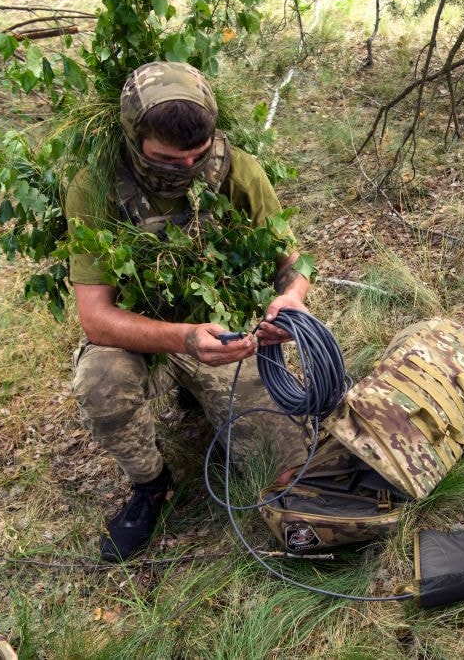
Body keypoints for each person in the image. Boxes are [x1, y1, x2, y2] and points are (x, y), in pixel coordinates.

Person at [65, 61, 311, 562]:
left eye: (197, 157)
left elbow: (294, 262)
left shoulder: (237, 169)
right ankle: (152, 486)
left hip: (225, 333)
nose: (186, 170)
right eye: (167, 160)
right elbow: (96, 317)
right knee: (101, 382)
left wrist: (291, 299)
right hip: (144, 336)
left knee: (286, 465)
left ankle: (208, 401)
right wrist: (183, 338)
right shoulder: (95, 187)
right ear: (134, 138)